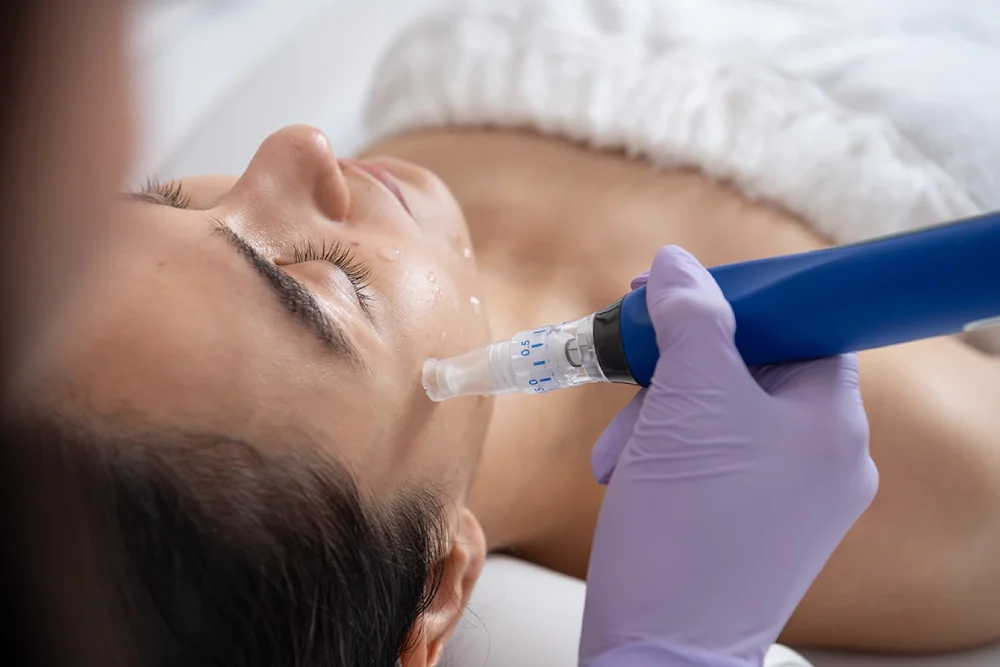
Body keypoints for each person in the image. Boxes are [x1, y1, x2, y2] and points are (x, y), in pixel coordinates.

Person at [1, 1, 997, 666]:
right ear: (442, 585)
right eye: (322, 283)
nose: (293, 150)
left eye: (165, 197)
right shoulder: (923, 482)